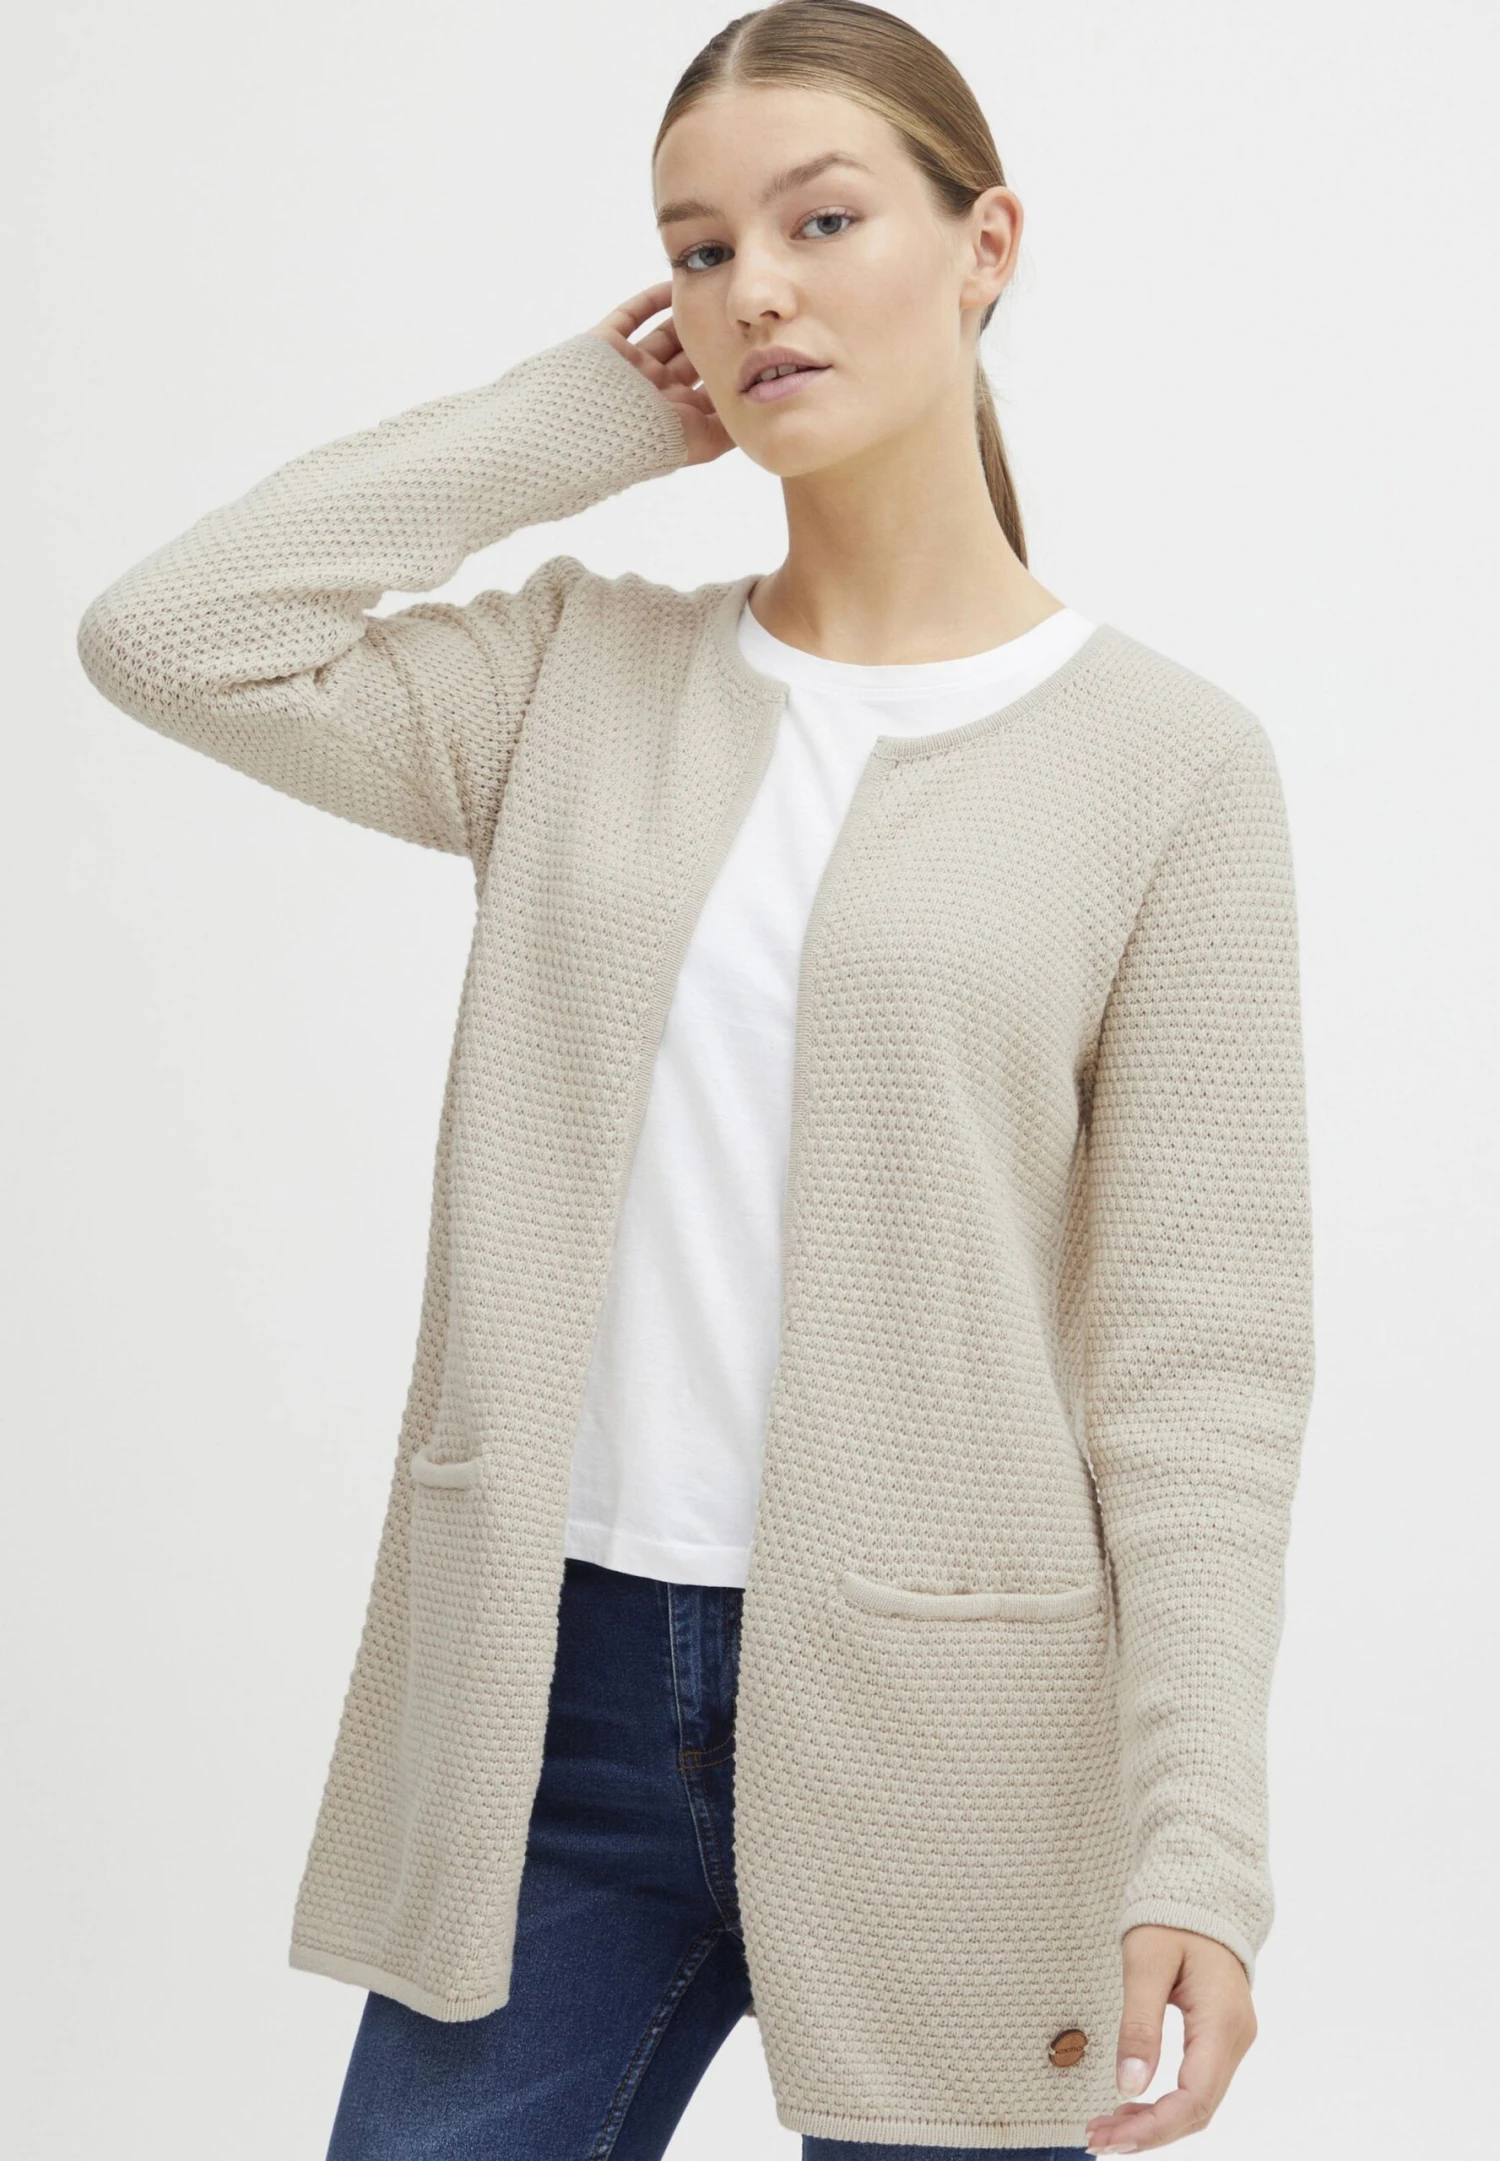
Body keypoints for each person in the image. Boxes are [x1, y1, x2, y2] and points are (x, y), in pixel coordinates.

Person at [74, 3, 1316, 2157]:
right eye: (700, 248)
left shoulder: (1167, 767)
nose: (756, 291)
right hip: (549, 1705)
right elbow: (173, 633)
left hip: (959, 1726)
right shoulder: (577, 681)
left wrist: (1197, 1849)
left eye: (822, 221)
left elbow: (1200, 1366)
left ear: (986, 244)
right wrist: (583, 419)